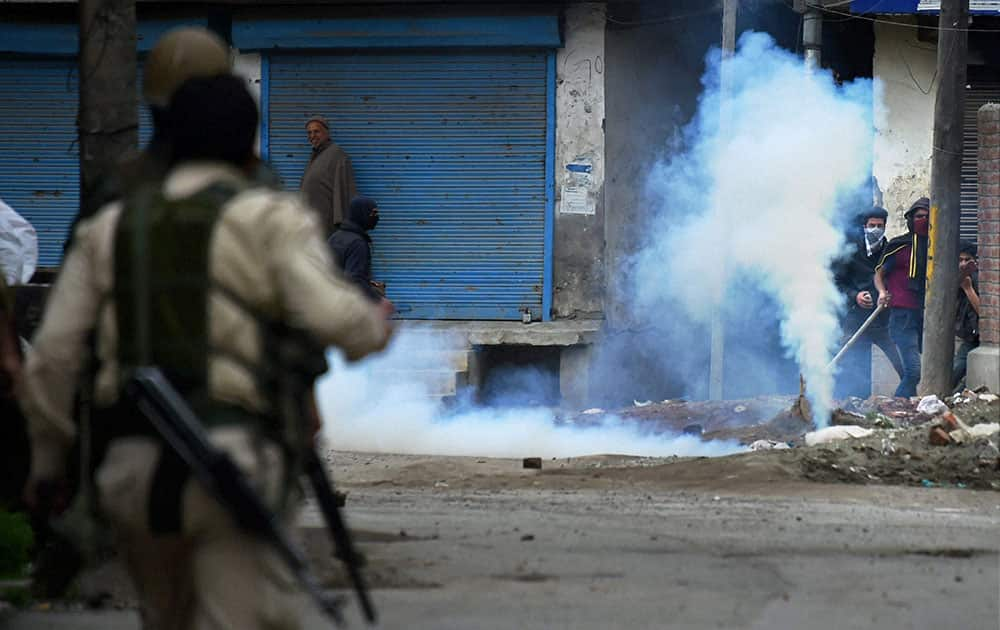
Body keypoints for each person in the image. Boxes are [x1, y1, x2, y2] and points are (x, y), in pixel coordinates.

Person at [20, 74, 393, 629]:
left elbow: (51, 357)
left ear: (164, 140)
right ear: (248, 146)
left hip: (132, 473)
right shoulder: (269, 219)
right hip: (233, 463)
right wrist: (376, 324)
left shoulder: (110, 227)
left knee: (162, 617)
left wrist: (48, 467)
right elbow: (346, 326)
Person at [833, 206, 904, 398]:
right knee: (845, 358)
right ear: (864, 226)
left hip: (882, 320)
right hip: (856, 318)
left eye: (879, 226)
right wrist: (855, 295)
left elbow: (898, 281)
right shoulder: (851, 251)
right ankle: (838, 399)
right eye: (872, 225)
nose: (875, 230)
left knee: (900, 362)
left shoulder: (890, 252)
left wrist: (888, 295)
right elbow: (838, 282)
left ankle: (909, 397)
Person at [874, 197, 930, 398]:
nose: (923, 220)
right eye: (919, 216)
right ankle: (897, 404)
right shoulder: (899, 246)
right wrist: (882, 292)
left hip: (928, 316)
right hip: (902, 315)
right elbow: (879, 272)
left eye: (927, 216)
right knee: (913, 371)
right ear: (910, 219)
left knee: (915, 372)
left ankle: (904, 407)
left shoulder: (937, 248)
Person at [300, 115, 357, 236]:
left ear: (327, 132)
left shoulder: (337, 154)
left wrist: (340, 223)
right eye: (309, 133)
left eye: (316, 131)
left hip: (327, 225)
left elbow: (344, 191)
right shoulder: (316, 155)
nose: (312, 136)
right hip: (312, 223)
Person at [328, 196, 384, 301]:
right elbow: (354, 281)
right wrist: (378, 300)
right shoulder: (357, 243)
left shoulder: (335, 236)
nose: (377, 217)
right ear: (362, 214)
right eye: (373, 213)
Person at [953, 241, 980, 391]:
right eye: (960, 260)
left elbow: (985, 314)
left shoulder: (980, 279)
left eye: (967, 260)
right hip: (970, 336)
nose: (963, 264)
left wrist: (969, 290)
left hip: (983, 337)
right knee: (957, 369)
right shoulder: (957, 279)